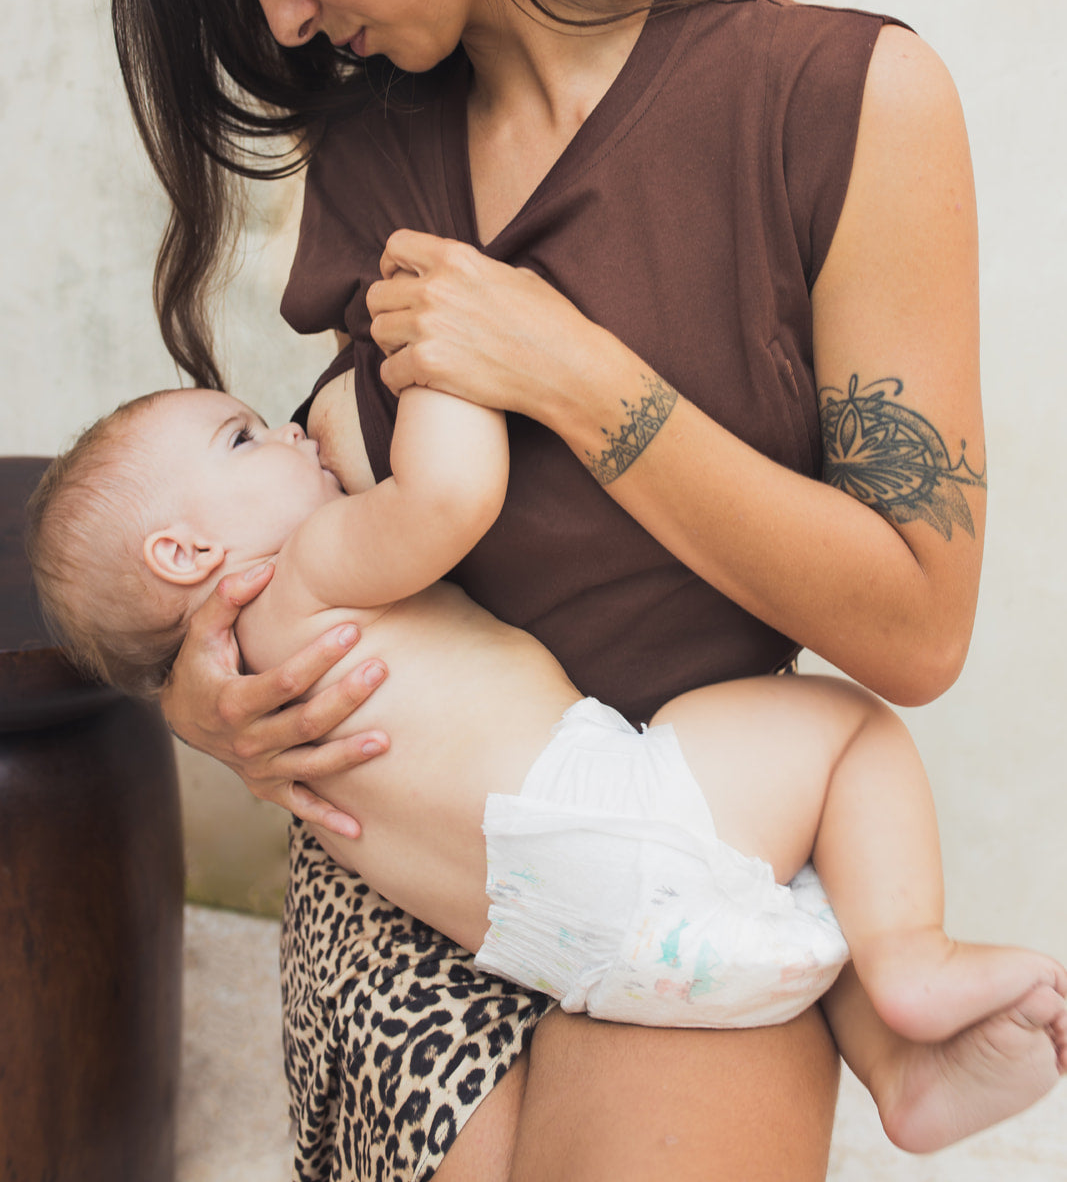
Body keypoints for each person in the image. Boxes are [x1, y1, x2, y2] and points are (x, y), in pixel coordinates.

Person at [110, 0, 996, 1176]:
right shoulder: (373, 135)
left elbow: (913, 625)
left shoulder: (838, 104)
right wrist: (208, 692)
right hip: (412, 869)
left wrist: (585, 379)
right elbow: (312, 507)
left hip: (675, 843)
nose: (282, 16)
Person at [25, 374, 1067, 1159]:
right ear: (184, 554)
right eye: (243, 436)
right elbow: (453, 492)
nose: (288, 427)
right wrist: (437, 359)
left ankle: (900, 1071)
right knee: (846, 733)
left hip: (574, 953)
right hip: (614, 812)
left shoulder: (254, 669)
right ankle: (911, 964)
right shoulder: (307, 570)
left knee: (789, 865)